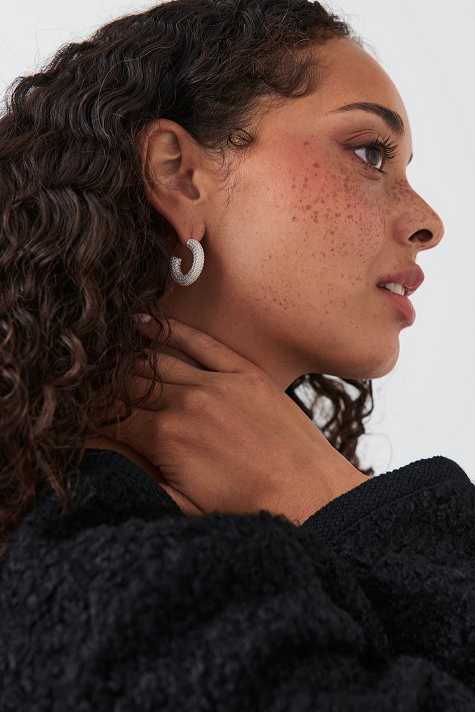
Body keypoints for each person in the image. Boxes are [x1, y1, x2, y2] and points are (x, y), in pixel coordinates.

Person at [1, 1, 473, 709]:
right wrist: (338, 502)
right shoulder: (117, 580)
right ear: (179, 175)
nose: (428, 222)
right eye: (370, 152)